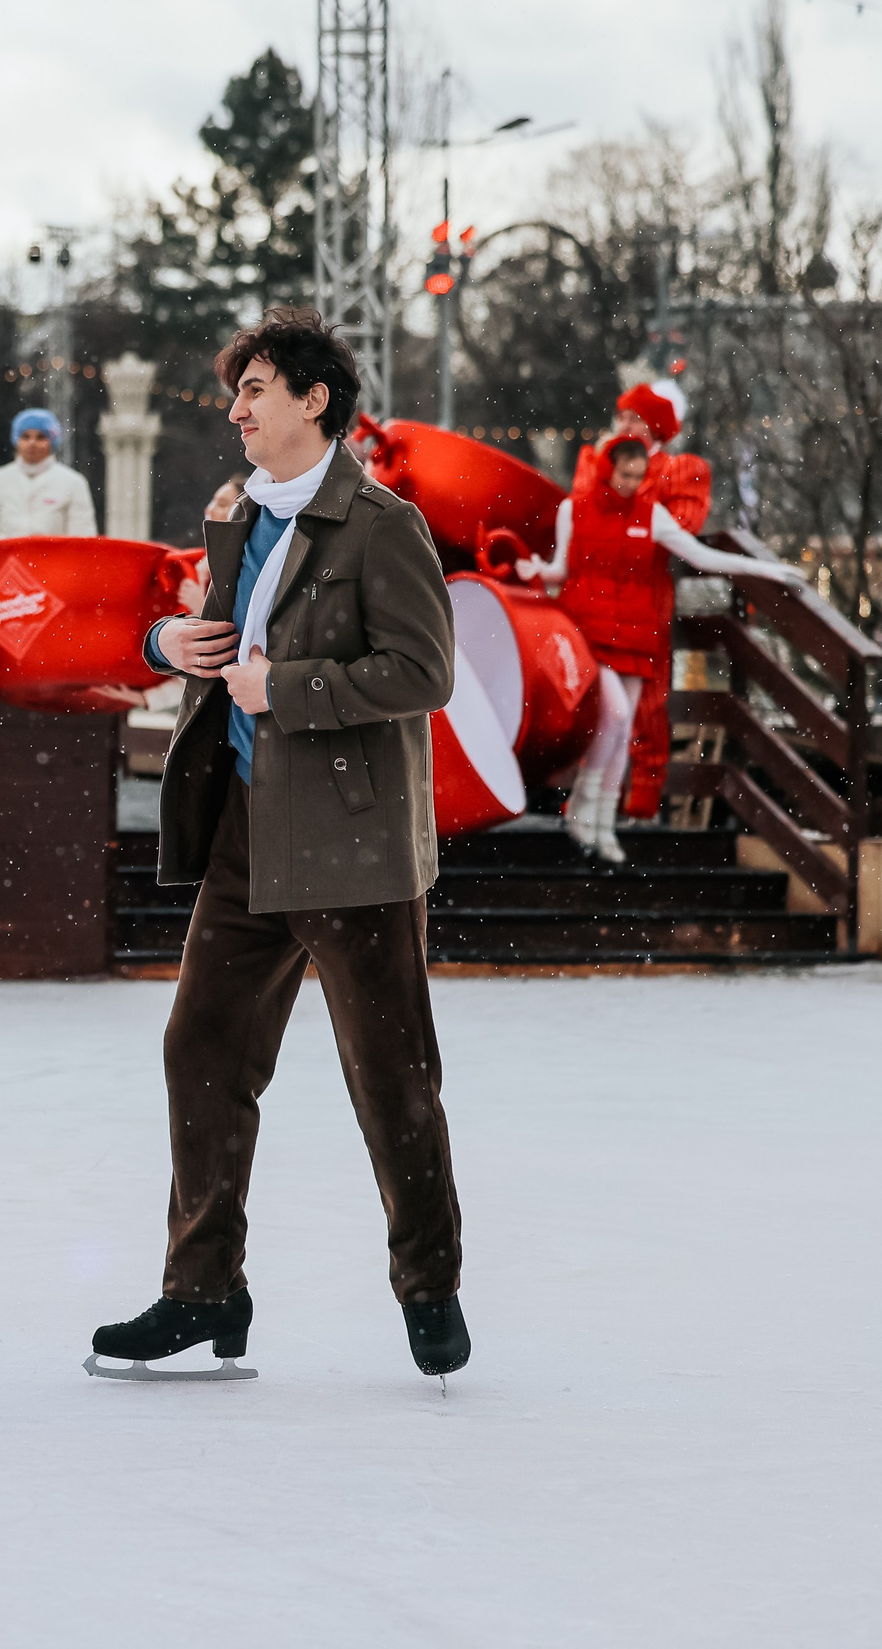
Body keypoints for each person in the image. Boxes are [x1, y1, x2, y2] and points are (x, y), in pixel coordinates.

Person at [92, 307, 471, 1384]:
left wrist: (287, 689)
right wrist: (171, 642)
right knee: (200, 1050)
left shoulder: (380, 523)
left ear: (315, 399)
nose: (237, 408)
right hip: (246, 837)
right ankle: (203, 1290)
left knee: (390, 1079)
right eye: (237, 390)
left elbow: (423, 673)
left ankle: (429, 1282)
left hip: (353, 845)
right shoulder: (238, 517)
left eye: (256, 388)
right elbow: (210, 634)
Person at [513, 382, 799, 862]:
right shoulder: (575, 510)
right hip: (592, 629)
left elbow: (703, 556)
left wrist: (769, 570)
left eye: (636, 473)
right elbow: (561, 567)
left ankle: (596, 818)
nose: (628, 482)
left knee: (623, 727)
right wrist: (534, 573)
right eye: (623, 472)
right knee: (618, 718)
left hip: (636, 632)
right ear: (610, 467)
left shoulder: (652, 515)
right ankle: (588, 812)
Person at [0, 408, 96, 544]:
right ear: (16, 441)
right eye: (25, 437)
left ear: (52, 441)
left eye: (40, 437)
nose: (32, 443)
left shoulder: (73, 482)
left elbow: (82, 536)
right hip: (7, 561)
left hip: (54, 561)